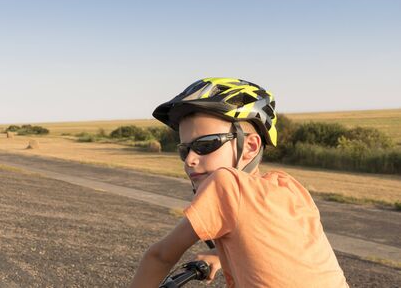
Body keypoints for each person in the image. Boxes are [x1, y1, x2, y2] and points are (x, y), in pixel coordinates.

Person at [129, 78, 348, 287]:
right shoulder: (288, 187)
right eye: (184, 149)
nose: (190, 159)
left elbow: (160, 257)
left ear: (251, 146)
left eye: (206, 144)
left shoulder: (226, 184)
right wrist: (219, 256)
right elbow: (279, 251)